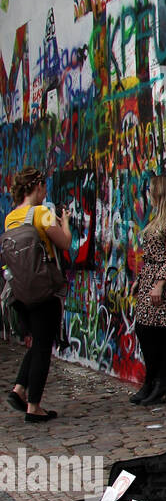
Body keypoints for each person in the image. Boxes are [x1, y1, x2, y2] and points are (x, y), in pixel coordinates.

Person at [5, 168, 72, 423]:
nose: (45, 192)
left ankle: (19, 389)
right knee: (44, 347)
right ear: (37, 187)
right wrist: (64, 220)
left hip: (20, 292)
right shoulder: (42, 213)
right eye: (44, 187)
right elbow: (64, 243)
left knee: (37, 342)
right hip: (44, 289)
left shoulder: (10, 218)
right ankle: (34, 407)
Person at [131, 175, 166, 406]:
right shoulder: (158, 219)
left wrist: (160, 284)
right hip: (150, 278)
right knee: (145, 330)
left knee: (155, 332)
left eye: (153, 191)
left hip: (162, 284)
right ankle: (152, 380)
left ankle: (160, 382)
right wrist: (141, 279)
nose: (149, 195)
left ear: (161, 193)